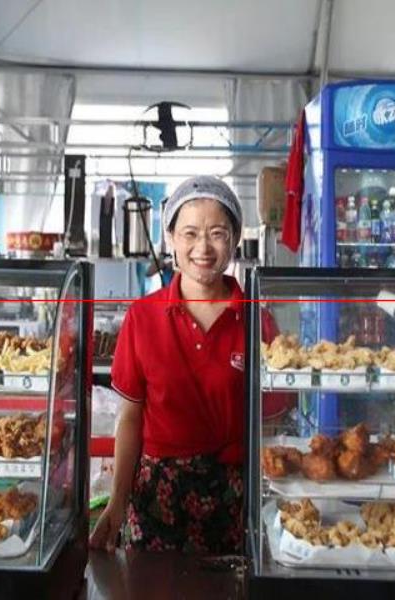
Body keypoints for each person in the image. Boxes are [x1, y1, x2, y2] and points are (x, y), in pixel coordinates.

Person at [90, 176, 290, 555]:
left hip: (234, 496)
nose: (203, 247)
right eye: (190, 233)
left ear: (234, 239)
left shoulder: (255, 320)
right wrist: (117, 502)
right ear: (170, 239)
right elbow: (130, 416)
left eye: (217, 233)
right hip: (156, 497)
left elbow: (273, 421)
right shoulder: (142, 317)